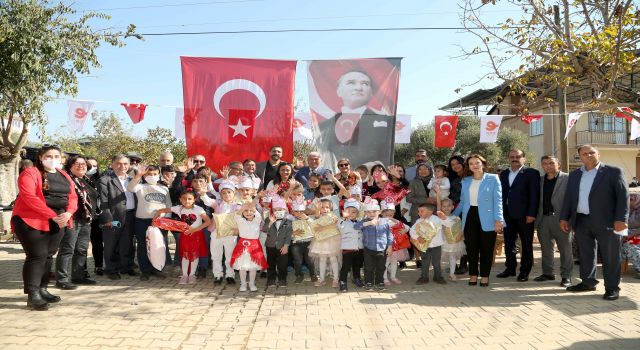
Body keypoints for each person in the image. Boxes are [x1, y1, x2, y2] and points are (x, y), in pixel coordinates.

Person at [11, 145, 78, 310]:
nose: (53, 158)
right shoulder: (30, 173)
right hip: (31, 220)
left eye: (57, 156)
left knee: (48, 256)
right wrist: (52, 215)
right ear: (41, 157)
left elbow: (73, 197)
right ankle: (33, 295)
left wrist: (68, 213)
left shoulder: (64, 175)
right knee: (37, 256)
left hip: (59, 221)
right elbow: (29, 197)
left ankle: (43, 288)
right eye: (49, 155)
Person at [560, 145, 629, 301]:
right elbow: (569, 198)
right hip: (581, 219)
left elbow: (622, 197)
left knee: (610, 256)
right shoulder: (575, 175)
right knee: (585, 254)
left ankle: (612, 288)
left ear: (598, 154)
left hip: (608, 222)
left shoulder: (613, 171)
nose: (588, 155)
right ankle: (588, 282)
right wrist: (564, 217)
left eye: (592, 152)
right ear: (580, 157)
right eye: (584, 153)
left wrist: (621, 219)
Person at [315, 70, 395, 167]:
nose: (358, 88)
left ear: (371, 93)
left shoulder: (387, 123)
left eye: (365, 84)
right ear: (339, 91)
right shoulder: (322, 127)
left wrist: (375, 166)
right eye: (351, 83)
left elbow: (387, 156)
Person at [453, 154, 504, 287]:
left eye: (477, 162)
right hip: (470, 216)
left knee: (487, 248)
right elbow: (463, 201)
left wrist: (499, 220)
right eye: (471, 163)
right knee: (471, 248)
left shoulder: (493, 178)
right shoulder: (465, 180)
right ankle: (473, 275)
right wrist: (453, 215)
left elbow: (498, 200)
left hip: (488, 217)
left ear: (483, 164)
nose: (474, 165)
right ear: (468, 166)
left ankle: (485, 276)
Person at [55, 155, 99, 290]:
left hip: (85, 219)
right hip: (71, 219)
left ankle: (78, 275)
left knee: (81, 249)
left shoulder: (87, 180)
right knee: (67, 249)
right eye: (77, 163)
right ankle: (62, 279)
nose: (81, 166)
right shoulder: (65, 180)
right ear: (69, 166)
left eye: (83, 164)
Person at [497, 149, 540, 282]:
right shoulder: (504, 174)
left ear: (523, 158)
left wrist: (532, 213)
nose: (515, 158)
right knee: (509, 243)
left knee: (526, 244)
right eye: (512, 157)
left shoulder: (531, 173)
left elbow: (534, 195)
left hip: (525, 215)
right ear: (508, 158)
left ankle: (524, 272)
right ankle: (510, 268)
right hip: (507, 214)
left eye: (518, 156)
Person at [155, 189, 211, 284]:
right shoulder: (178, 208)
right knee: (185, 255)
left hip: (196, 235)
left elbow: (208, 221)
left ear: (194, 199)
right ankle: (185, 275)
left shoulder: (199, 209)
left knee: (195, 255)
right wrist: (155, 218)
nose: (187, 201)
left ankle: (192, 275)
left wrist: (194, 229)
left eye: (190, 199)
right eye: (184, 199)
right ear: (180, 199)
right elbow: (162, 210)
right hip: (185, 235)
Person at [127, 165, 173, 281]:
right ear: (145, 176)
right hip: (142, 220)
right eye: (149, 174)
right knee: (143, 245)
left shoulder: (164, 189)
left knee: (158, 246)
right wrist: (138, 175)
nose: (152, 176)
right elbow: (130, 188)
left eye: (155, 174)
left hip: (160, 222)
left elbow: (169, 206)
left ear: (159, 175)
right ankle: (145, 270)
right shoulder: (140, 187)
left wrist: (165, 218)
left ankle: (157, 268)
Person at [534, 155, 572, 287]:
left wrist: (568, 218)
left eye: (551, 163)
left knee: (565, 249)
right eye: (544, 163)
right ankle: (548, 273)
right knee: (545, 248)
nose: (548, 166)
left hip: (562, 220)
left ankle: (566, 276)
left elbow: (572, 200)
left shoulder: (568, 179)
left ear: (558, 164)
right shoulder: (539, 180)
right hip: (543, 219)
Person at [99, 154, 138, 280]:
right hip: (114, 217)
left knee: (127, 243)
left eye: (125, 163)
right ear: (112, 164)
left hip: (130, 215)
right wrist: (108, 219)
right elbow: (103, 202)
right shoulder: (105, 180)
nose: (122, 166)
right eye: (119, 163)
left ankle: (127, 267)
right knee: (111, 243)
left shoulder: (132, 179)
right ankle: (111, 269)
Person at [201, 180, 241, 285]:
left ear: (234, 193)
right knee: (216, 255)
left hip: (230, 233)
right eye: (224, 193)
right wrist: (203, 194)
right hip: (216, 232)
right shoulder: (217, 203)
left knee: (230, 254)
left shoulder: (238, 205)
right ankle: (217, 275)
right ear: (220, 194)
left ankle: (230, 275)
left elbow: (242, 219)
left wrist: (239, 229)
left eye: (229, 192)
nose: (226, 194)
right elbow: (208, 201)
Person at [354, 197, 394, 292]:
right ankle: (369, 282)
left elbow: (389, 234)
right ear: (365, 213)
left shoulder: (385, 222)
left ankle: (380, 281)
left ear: (379, 212)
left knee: (381, 267)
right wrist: (368, 223)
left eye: (374, 211)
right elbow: (355, 226)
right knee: (368, 267)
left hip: (382, 249)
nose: (371, 214)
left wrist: (390, 246)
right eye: (368, 212)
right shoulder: (364, 222)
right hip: (368, 249)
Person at [410, 203, 453, 285]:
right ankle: (424, 277)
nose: (419, 213)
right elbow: (412, 230)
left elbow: (449, 224)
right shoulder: (419, 221)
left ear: (430, 212)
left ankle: (438, 277)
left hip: (436, 245)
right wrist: (417, 237)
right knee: (425, 262)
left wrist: (444, 218)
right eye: (418, 211)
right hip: (425, 246)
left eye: (421, 211)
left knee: (436, 262)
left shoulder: (437, 219)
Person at [229, 203, 268, 292]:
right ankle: (243, 283)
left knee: (253, 267)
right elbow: (237, 215)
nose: (248, 212)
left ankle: (252, 283)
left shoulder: (257, 220)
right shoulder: (240, 220)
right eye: (246, 211)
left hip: (254, 247)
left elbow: (258, 215)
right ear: (243, 212)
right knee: (242, 267)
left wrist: (252, 207)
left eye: (251, 211)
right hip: (242, 247)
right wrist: (243, 208)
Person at [309, 198, 342, 288]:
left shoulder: (333, 217)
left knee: (333, 259)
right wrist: (316, 211)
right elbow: (314, 226)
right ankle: (322, 279)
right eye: (322, 207)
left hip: (332, 241)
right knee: (322, 259)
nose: (325, 209)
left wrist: (322, 228)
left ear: (331, 209)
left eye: (327, 207)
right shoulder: (318, 217)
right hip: (320, 241)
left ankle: (336, 279)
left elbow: (336, 225)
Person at [263, 197, 293, 287]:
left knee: (282, 264)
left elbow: (289, 235)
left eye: (280, 209)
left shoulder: (288, 222)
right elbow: (264, 229)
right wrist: (270, 223)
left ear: (285, 210)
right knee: (270, 263)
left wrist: (286, 246)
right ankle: (271, 279)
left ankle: (282, 279)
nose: (278, 211)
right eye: (275, 210)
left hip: (282, 246)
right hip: (270, 246)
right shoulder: (268, 219)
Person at [380, 201, 410, 285]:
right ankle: (384, 278)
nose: (389, 217)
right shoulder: (380, 221)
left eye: (391, 215)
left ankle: (393, 277)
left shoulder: (395, 221)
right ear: (381, 213)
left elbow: (407, 227)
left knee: (394, 262)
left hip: (396, 246)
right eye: (387, 215)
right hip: (385, 246)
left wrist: (404, 230)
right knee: (386, 262)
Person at [289, 196, 317, 284]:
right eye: (297, 211)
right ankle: (299, 275)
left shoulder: (308, 218)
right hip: (296, 243)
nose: (299, 213)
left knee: (310, 260)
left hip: (308, 242)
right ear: (293, 211)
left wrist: (307, 218)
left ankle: (313, 274)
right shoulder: (290, 219)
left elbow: (315, 226)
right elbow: (285, 231)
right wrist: (292, 233)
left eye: (301, 211)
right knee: (297, 260)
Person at [338, 199, 364, 292]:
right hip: (347, 248)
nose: (352, 213)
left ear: (358, 213)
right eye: (349, 211)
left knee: (357, 265)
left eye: (354, 212)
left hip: (359, 248)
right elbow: (339, 226)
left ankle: (357, 278)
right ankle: (342, 281)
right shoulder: (343, 222)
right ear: (345, 212)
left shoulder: (360, 222)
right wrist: (343, 218)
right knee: (346, 266)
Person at [447, 155, 467, 275]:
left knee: (466, 239)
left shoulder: (469, 177)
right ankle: (458, 265)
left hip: (467, 211)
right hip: (456, 212)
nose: (455, 166)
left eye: (457, 163)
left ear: (463, 163)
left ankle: (464, 265)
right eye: (452, 164)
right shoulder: (453, 179)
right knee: (459, 238)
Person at [86, 157, 104, 276]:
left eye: (95, 166)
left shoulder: (100, 181)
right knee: (82, 246)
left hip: (97, 217)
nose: (92, 168)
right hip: (83, 217)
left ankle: (99, 266)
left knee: (97, 243)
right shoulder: (78, 180)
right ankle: (82, 269)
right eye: (89, 165)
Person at [439, 198, 465, 281]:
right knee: (440, 257)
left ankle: (452, 273)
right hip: (442, 240)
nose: (446, 208)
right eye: (444, 206)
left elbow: (459, 229)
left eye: (448, 206)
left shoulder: (456, 218)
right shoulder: (439, 218)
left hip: (453, 242)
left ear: (453, 207)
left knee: (452, 256)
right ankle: (439, 273)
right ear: (441, 207)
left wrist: (460, 236)